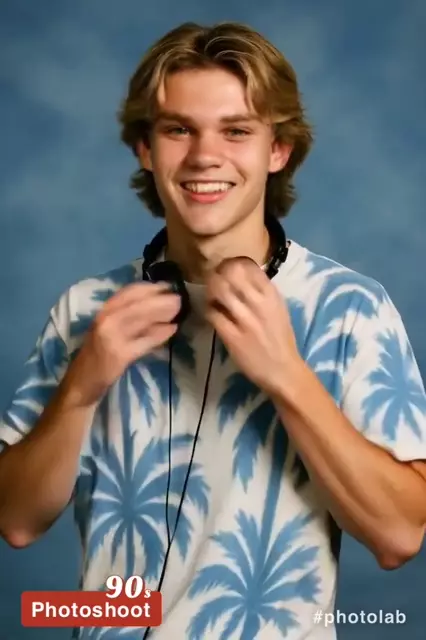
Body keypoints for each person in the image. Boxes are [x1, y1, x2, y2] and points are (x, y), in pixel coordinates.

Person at [1, 20, 426, 640]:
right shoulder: (85, 310)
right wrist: (81, 389)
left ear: (277, 150)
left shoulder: (351, 308)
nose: (205, 156)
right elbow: (16, 523)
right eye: (179, 129)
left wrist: (286, 375)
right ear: (145, 148)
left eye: (237, 131)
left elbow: (400, 536)